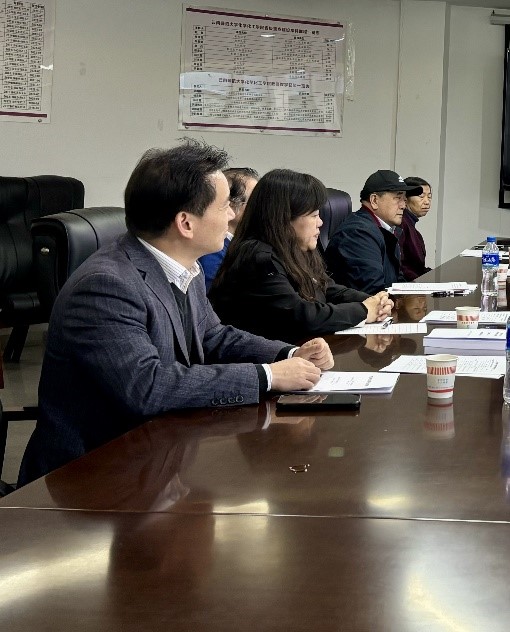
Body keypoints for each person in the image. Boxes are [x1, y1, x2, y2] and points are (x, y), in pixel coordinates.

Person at [18, 139, 332, 485]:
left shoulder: (183, 266)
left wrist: (289, 354)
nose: (233, 215)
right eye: (224, 206)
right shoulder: (106, 286)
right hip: (94, 475)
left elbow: (213, 336)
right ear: (186, 223)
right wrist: (268, 376)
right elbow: (148, 386)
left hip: (159, 456)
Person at [208, 169, 394, 344]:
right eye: (314, 215)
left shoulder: (294, 249)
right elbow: (302, 316)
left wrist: (374, 300)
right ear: (284, 218)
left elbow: (326, 288)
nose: (320, 223)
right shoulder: (257, 258)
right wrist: (364, 310)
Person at [325, 169, 423, 293]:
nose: (403, 205)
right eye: (398, 198)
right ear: (374, 200)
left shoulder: (387, 230)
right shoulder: (358, 234)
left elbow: (396, 281)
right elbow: (373, 292)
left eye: (404, 199)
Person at [198, 167, 258, 290]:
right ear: (231, 203)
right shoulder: (212, 251)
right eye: (255, 201)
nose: (261, 207)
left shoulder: (240, 244)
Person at [399, 176, 433, 279]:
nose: (427, 202)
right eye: (421, 196)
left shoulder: (410, 226)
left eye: (429, 197)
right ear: (405, 199)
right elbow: (401, 267)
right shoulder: (400, 224)